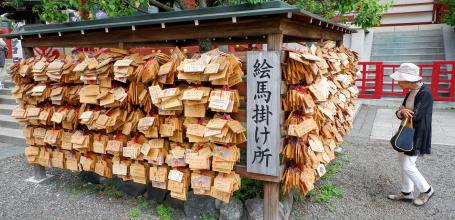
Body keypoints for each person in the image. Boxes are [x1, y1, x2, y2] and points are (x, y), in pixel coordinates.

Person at [386, 63, 434, 206]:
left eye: (400, 80)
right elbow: (401, 112)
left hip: (417, 134)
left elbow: (416, 116)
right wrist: (402, 111)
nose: (398, 82)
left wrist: (403, 110)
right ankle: (407, 192)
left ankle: (427, 190)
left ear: (409, 80)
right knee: (402, 161)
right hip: (407, 131)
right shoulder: (410, 91)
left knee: (408, 165)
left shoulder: (425, 93)